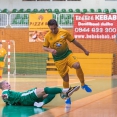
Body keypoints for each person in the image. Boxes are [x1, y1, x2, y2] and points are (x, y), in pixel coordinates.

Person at [43, 19, 92, 106]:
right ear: (49, 28)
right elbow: (44, 47)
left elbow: (75, 42)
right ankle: (67, 96)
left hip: (67, 55)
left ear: (57, 26)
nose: (53, 30)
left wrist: (85, 50)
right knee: (66, 79)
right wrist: (50, 50)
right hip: (58, 60)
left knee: (77, 65)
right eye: (51, 29)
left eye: (54, 28)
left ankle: (83, 84)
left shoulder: (64, 32)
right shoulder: (47, 36)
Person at [0, 80, 80, 107]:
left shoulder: (8, 99)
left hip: (26, 102)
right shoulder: (5, 92)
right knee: (46, 89)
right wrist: (4, 96)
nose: (9, 84)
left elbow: (7, 100)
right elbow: (5, 96)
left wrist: (6, 98)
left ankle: (41, 103)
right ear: (3, 86)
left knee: (51, 93)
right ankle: (66, 90)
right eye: (7, 83)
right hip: (25, 97)